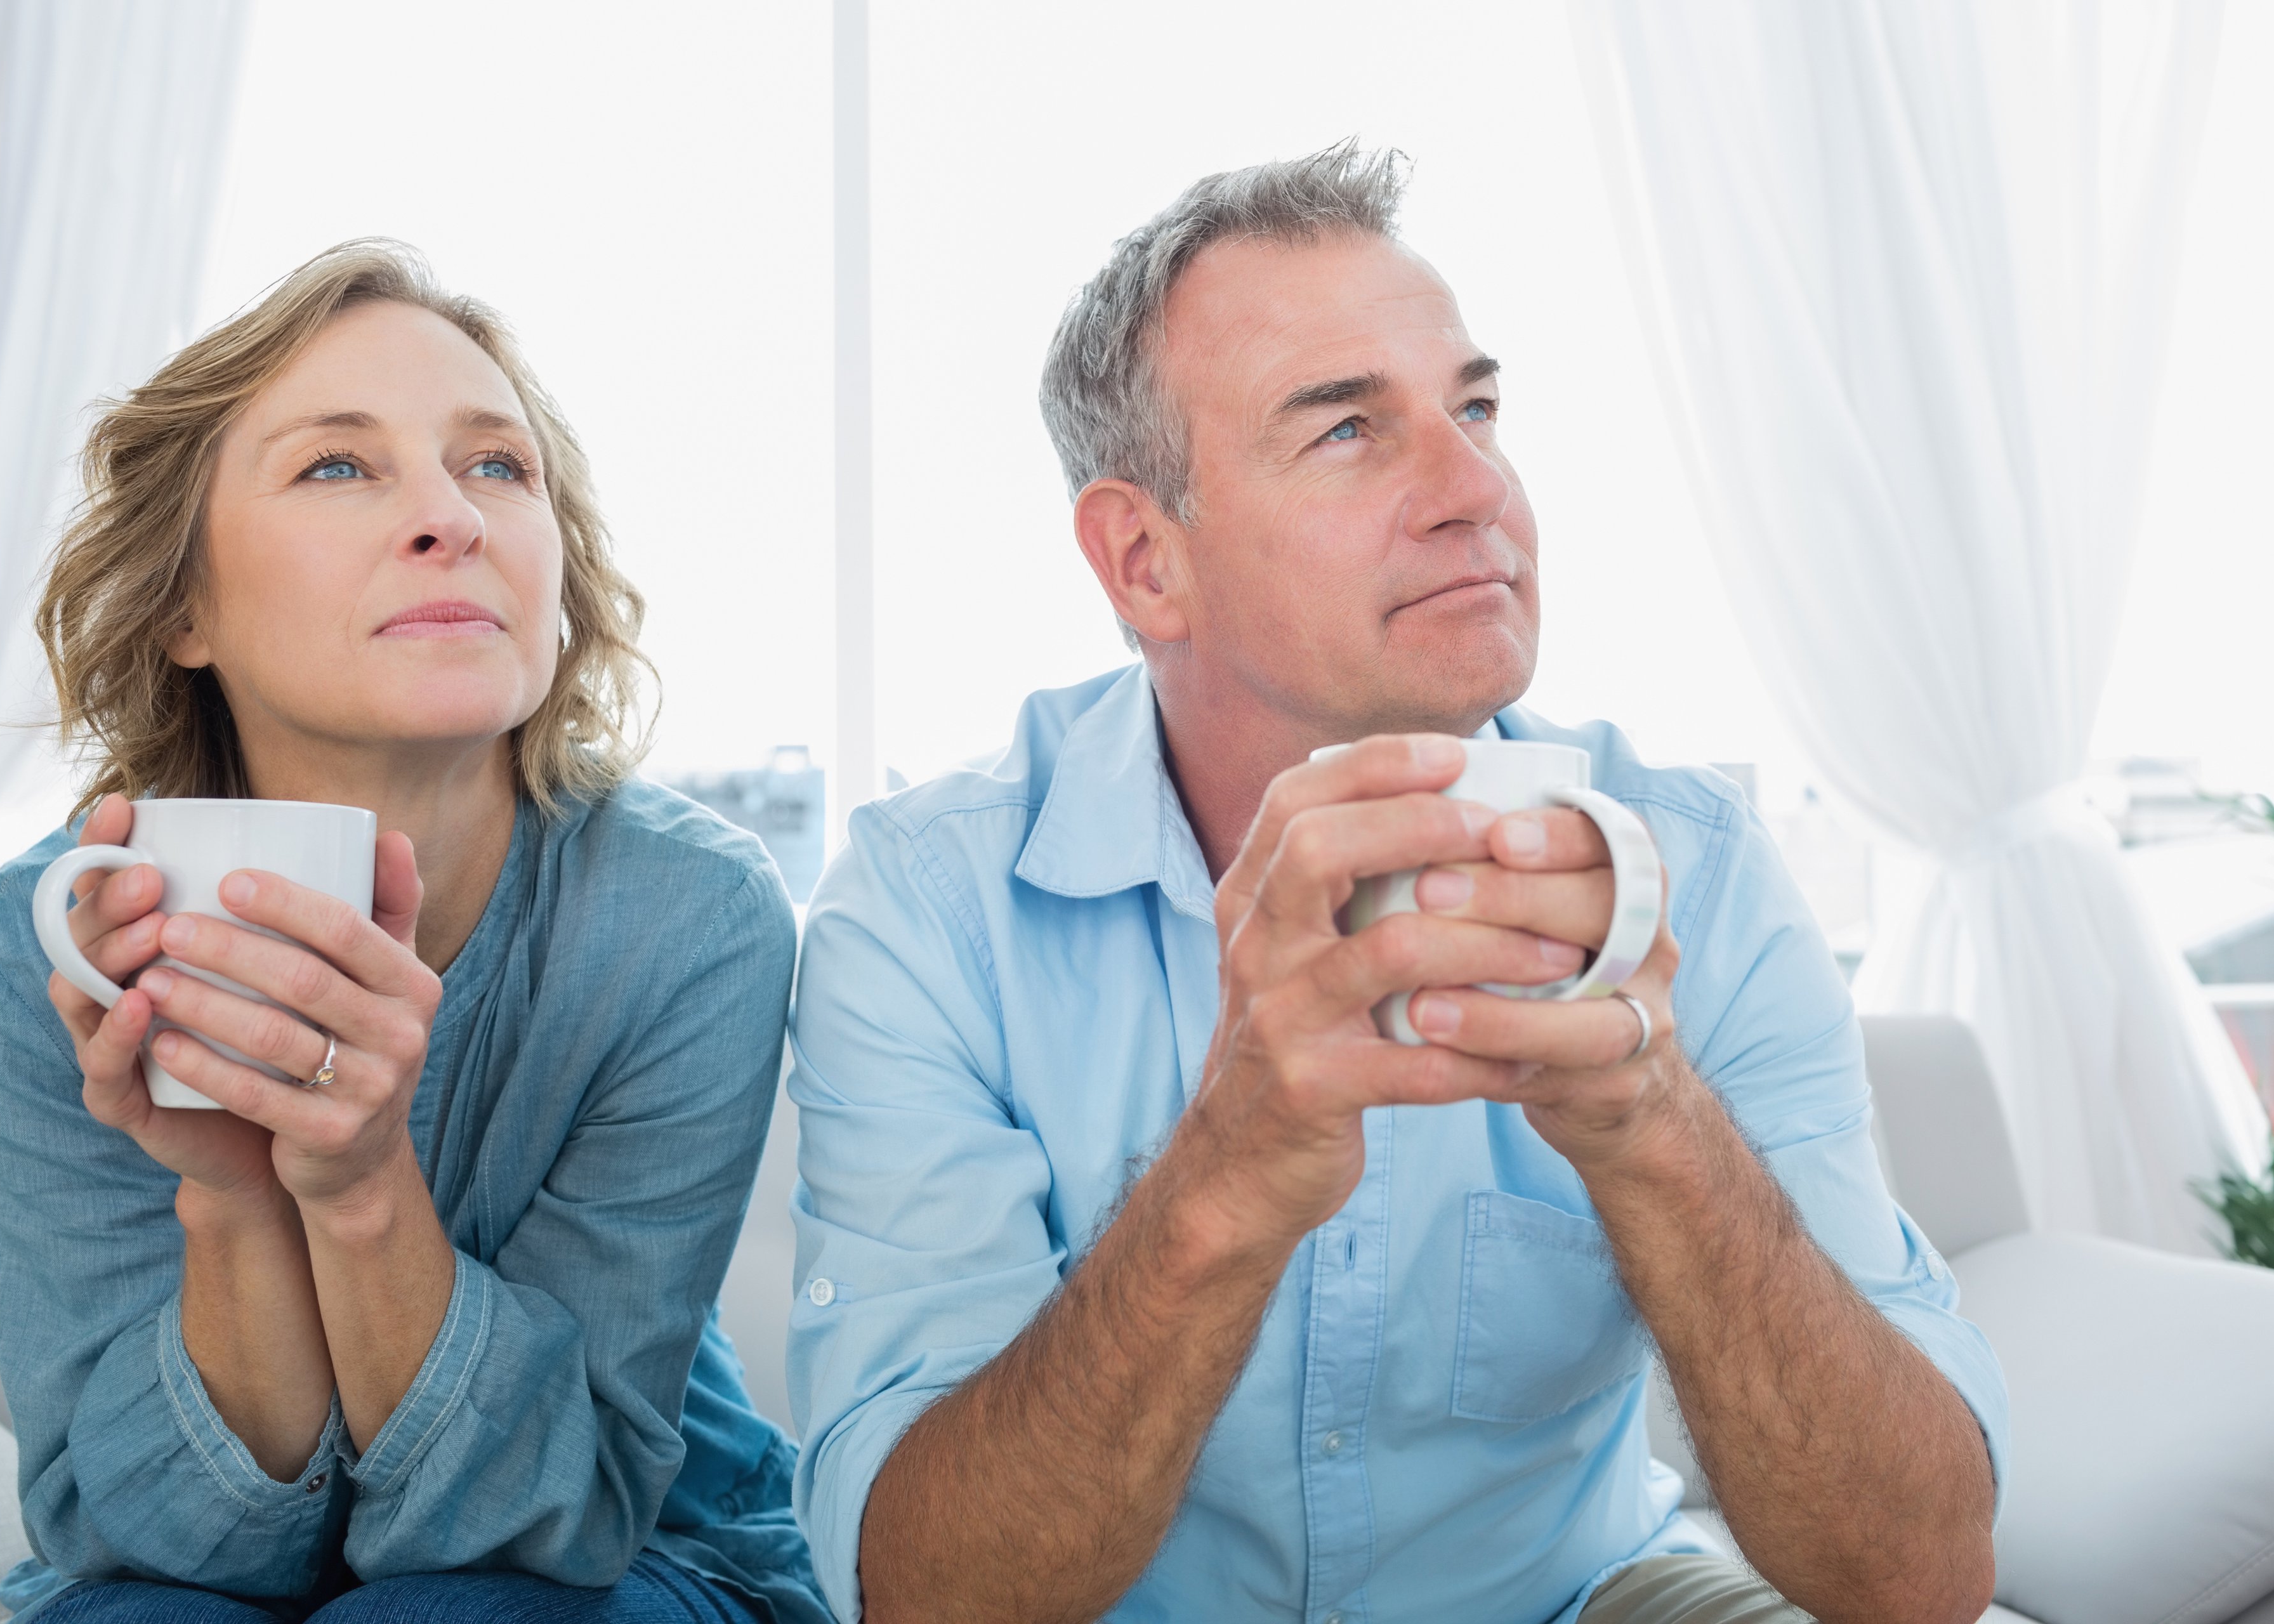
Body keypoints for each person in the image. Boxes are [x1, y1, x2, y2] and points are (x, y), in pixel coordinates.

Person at [784, 146, 2007, 1624]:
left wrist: (1653, 1127)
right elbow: (925, 1596)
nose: (1478, 487)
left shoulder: (1702, 868)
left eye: (1476, 408)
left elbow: (1918, 1577)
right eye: (1352, 428)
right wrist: (1229, 1172)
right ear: (1143, 561)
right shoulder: (930, 909)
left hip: (1581, 1599)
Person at [0, 241, 828, 1624]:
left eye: (498, 466)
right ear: (184, 603)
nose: (451, 518)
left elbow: (564, 1517)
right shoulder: (44, 944)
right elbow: (144, 1538)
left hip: (644, 1549)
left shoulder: (690, 918)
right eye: (338, 466)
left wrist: (359, 1189)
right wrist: (236, 1192)